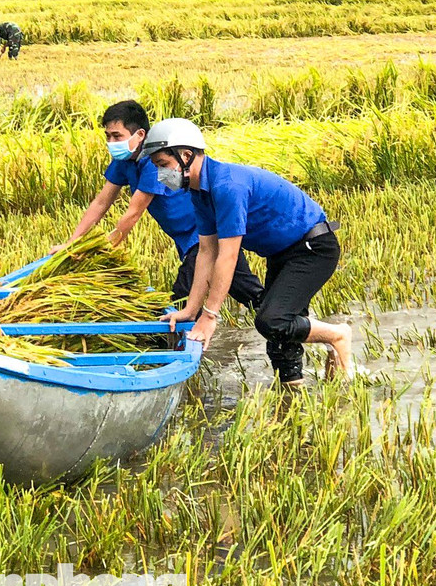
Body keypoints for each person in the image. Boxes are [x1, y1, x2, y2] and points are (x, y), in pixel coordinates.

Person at [145, 118, 353, 384]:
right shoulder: (199, 193)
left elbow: (228, 256)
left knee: (272, 321)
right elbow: (207, 252)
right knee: (279, 342)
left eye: (164, 165)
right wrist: (190, 309)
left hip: (312, 248)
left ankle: (338, 335)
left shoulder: (227, 186)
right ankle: (292, 398)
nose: (162, 175)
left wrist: (210, 316)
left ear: (185, 156)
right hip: (282, 253)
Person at [61, 101, 263, 306]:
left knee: (183, 300)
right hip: (188, 238)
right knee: (247, 291)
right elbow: (101, 202)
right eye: (108, 136)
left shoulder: (155, 162)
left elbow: (133, 213)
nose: (111, 142)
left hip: (203, 234)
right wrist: (73, 242)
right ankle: (280, 320)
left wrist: (103, 250)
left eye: (117, 136)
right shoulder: (124, 161)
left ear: (139, 135)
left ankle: (281, 320)